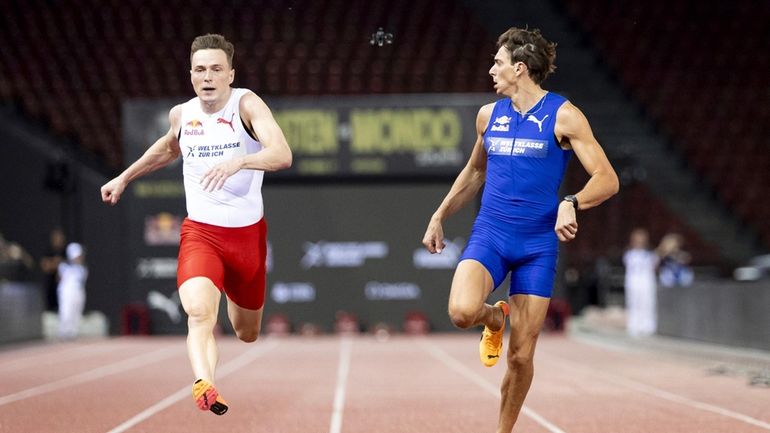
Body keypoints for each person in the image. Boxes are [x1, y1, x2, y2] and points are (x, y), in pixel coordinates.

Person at [422, 27, 618, 432]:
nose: (491, 69)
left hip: (537, 246)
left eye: (498, 62)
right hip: (491, 235)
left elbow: (606, 178)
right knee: (460, 312)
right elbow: (476, 171)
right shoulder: (488, 116)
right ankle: (494, 318)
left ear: (520, 68)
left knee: (521, 357)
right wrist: (439, 214)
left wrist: (572, 202)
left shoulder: (563, 116)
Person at [100, 33, 292, 416]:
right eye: (201, 69)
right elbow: (167, 148)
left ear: (230, 74)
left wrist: (240, 161)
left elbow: (282, 154)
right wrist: (124, 177)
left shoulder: (247, 105)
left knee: (246, 332)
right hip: (201, 234)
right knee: (200, 313)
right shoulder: (182, 115)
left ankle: (217, 359)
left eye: (216, 69)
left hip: (247, 237)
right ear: (191, 75)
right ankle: (205, 381)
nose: (208, 77)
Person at [623, 228, 658, 337]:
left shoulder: (649, 254)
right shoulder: (629, 255)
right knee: (634, 304)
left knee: (647, 304)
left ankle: (647, 327)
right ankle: (634, 326)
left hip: (646, 284)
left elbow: (654, 263)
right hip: (633, 284)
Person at [57, 242, 88, 339]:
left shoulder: (82, 268)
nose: (79, 258)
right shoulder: (64, 266)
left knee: (76, 312)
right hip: (67, 291)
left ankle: (72, 333)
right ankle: (64, 332)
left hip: (78, 291)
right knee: (66, 311)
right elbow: (61, 279)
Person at [40, 228, 67, 312]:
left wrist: (56, 263)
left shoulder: (66, 252)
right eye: (55, 238)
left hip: (65, 288)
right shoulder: (49, 251)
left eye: (59, 238)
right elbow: (44, 266)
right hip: (51, 287)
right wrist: (56, 263)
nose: (57, 240)